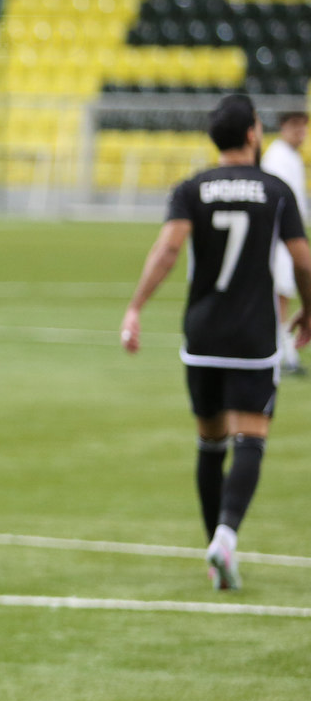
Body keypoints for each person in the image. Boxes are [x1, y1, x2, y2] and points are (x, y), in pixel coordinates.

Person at [122, 94, 311, 590]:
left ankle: (214, 554)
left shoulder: (192, 188)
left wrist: (136, 307)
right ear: (252, 133)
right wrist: (309, 309)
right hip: (253, 335)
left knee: (210, 442)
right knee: (252, 437)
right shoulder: (276, 189)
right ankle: (225, 538)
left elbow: (168, 248)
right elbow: (302, 260)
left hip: (202, 333)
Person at [262, 110, 308, 374]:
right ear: (283, 128)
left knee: (284, 293)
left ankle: (284, 351)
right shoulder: (278, 156)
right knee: (279, 294)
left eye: (303, 128)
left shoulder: (291, 156)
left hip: (288, 236)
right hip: (280, 238)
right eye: (295, 127)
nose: (300, 133)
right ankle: (280, 352)